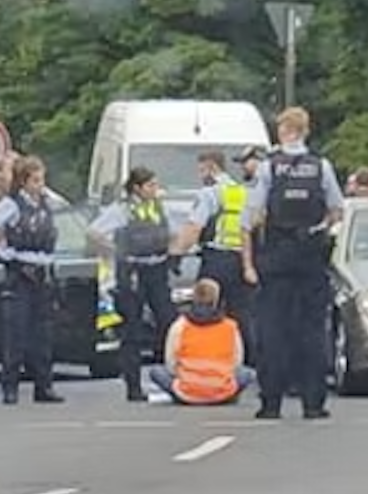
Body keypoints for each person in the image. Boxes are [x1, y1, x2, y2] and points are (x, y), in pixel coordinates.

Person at [240, 106, 346, 420]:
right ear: (306, 131)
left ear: (282, 131)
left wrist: (249, 262)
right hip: (311, 256)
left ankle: (271, 402)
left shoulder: (269, 167)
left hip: (275, 256)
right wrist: (318, 230)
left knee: (273, 330)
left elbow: (250, 218)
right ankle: (313, 403)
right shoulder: (321, 166)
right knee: (312, 330)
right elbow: (337, 210)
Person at [0, 155, 65, 405]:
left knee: (43, 334)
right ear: (24, 182)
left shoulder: (46, 204)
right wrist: (2, 252)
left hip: (43, 271)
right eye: (36, 180)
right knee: (16, 333)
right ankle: (11, 387)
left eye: (42, 179)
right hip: (20, 272)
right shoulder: (13, 205)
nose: (41, 184)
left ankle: (44, 386)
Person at [92, 166, 177, 402]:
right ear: (137, 188)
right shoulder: (122, 210)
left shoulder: (159, 207)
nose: (155, 189)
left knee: (169, 322)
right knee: (133, 329)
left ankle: (175, 377)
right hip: (133, 270)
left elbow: (172, 233)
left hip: (157, 268)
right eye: (150, 185)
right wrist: (115, 252)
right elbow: (94, 232)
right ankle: (133, 385)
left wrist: (173, 252)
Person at [176, 151, 254, 357]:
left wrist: (176, 252)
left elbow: (194, 228)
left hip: (216, 259)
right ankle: (243, 357)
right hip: (240, 259)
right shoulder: (241, 192)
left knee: (205, 310)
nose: (201, 175)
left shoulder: (209, 193)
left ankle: (206, 354)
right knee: (240, 313)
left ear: (211, 167)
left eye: (202, 170)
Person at [144, 278, 252, 405]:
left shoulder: (180, 325)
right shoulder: (230, 326)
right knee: (248, 373)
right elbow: (237, 362)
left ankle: (186, 395)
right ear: (216, 300)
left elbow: (170, 362)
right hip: (222, 388)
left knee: (156, 372)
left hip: (187, 390)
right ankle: (224, 395)